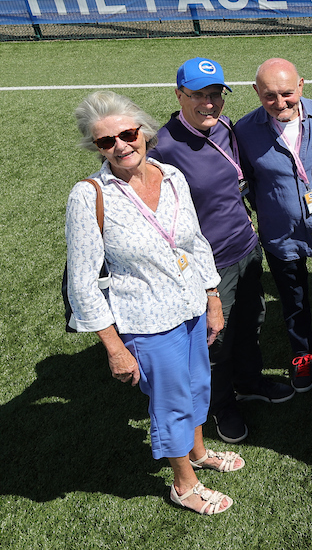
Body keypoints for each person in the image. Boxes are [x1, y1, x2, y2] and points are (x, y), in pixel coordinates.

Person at [66, 90, 243, 516]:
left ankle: (198, 452)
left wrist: (213, 298)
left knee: (199, 386)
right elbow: (83, 282)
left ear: (144, 132)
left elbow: (196, 244)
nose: (122, 145)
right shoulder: (88, 196)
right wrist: (114, 348)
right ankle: (184, 484)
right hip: (146, 321)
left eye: (128, 133)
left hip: (192, 309)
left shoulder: (171, 176)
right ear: (96, 148)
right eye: (107, 141)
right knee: (172, 401)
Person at [148, 58, 294, 445]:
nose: (209, 103)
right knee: (217, 340)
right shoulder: (162, 148)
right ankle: (222, 405)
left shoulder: (225, 128)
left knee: (252, 322)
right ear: (179, 94)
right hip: (207, 267)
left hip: (246, 247)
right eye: (198, 95)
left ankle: (249, 383)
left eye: (215, 94)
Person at [233, 58, 312, 394]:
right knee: (293, 299)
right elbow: (245, 179)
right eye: (269, 96)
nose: (280, 103)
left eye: (287, 93)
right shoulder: (244, 130)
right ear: (256, 93)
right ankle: (303, 352)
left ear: (301, 85)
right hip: (281, 233)